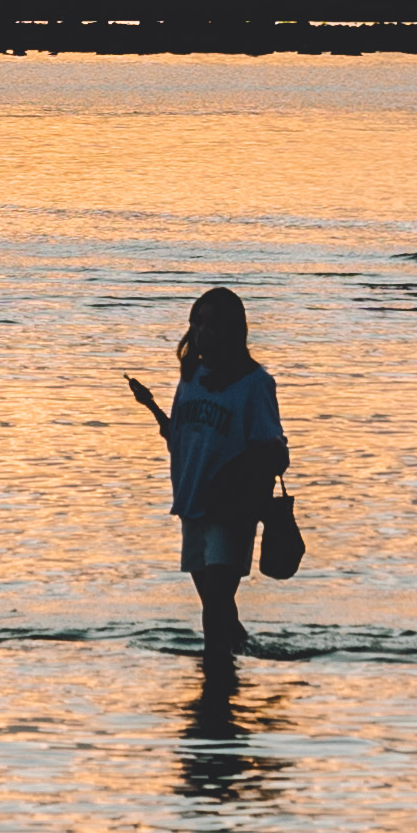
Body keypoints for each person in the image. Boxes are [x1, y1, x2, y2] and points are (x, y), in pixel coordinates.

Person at [126, 284, 290, 662]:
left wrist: (239, 476)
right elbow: (181, 438)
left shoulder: (254, 383)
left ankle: (216, 673)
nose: (201, 332)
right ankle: (233, 663)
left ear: (232, 330)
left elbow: (273, 450)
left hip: (230, 509)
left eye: (211, 324)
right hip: (192, 503)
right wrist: (153, 409)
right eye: (196, 323)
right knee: (216, 604)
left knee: (216, 600)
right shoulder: (191, 377)